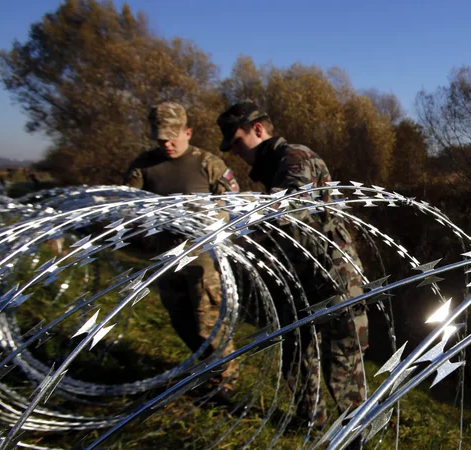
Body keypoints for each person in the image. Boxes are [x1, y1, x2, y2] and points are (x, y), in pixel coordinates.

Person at [216, 100, 369, 426]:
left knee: (341, 361)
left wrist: (240, 220)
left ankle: (354, 433)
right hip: (297, 275)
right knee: (296, 353)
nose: (235, 152)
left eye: (238, 142)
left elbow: (289, 206)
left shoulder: (296, 157)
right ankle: (310, 421)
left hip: (332, 274)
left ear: (258, 130)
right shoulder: (274, 167)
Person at [124, 101, 240, 401]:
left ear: (188, 132)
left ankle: (226, 377)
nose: (167, 144)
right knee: (181, 320)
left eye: (173, 137)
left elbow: (234, 204)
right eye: (161, 138)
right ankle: (207, 369)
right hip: (165, 258)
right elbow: (127, 207)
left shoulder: (207, 163)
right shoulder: (144, 167)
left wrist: (205, 221)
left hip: (203, 259)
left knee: (209, 320)